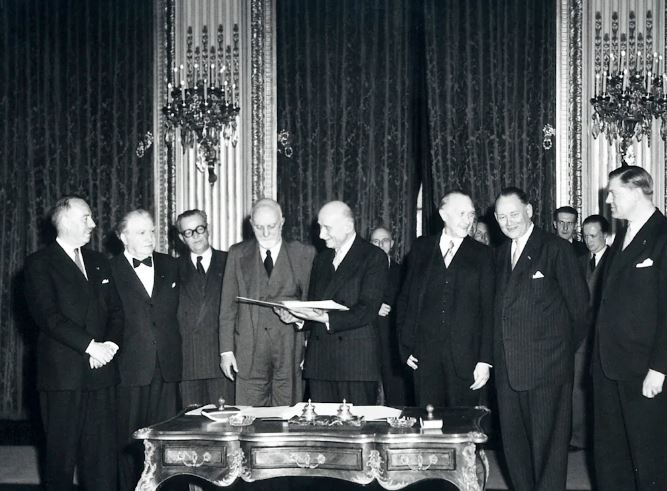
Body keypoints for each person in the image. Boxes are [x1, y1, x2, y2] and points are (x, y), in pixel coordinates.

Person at [24, 196, 122, 491]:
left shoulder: (99, 261)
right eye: (86, 218)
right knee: (61, 461)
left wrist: (109, 347)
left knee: (102, 460)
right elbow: (49, 317)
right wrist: (91, 346)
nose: (93, 223)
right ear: (65, 221)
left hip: (102, 373)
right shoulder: (39, 263)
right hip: (62, 378)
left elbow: (117, 312)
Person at [494, 187, 589, 491]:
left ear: (530, 211)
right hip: (509, 371)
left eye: (514, 214)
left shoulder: (555, 249)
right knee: (515, 450)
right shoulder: (500, 254)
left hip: (547, 370)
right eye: (502, 217)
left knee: (548, 455)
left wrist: (557, 353)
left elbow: (580, 311)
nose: (509, 222)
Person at [593, 166, 667, 490]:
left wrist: (659, 369)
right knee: (612, 459)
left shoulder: (663, 235)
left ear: (637, 192)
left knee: (651, 460)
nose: (608, 200)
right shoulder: (622, 235)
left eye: (614, 193)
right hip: (609, 368)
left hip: (645, 371)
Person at [279, 201, 387, 405]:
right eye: (320, 227)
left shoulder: (373, 256)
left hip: (355, 364)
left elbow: (367, 310)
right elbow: (316, 306)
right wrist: (298, 318)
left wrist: (325, 317)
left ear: (348, 226)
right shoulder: (322, 259)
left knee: (356, 423)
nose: (321, 235)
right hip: (320, 363)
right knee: (321, 424)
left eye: (327, 228)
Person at [397, 191, 494, 407]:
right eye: (461, 214)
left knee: (463, 423)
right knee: (428, 422)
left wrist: (485, 360)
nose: (468, 220)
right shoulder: (421, 248)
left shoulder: (484, 255)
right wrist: (405, 347)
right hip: (424, 357)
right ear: (443, 214)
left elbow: (489, 311)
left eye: (471, 214)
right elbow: (405, 300)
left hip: (466, 359)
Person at [110, 209, 182, 491]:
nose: (150, 237)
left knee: (167, 443)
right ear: (123, 237)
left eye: (152, 231)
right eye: (141, 232)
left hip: (167, 367)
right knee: (129, 443)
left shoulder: (171, 265)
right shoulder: (110, 270)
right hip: (129, 369)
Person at [219, 198, 315, 406]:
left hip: (290, 348)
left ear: (282, 222)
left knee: (287, 414)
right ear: (251, 225)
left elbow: (311, 303)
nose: (265, 233)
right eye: (259, 227)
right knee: (249, 416)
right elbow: (227, 307)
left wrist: (308, 346)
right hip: (249, 350)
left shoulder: (304, 254)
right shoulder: (236, 253)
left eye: (271, 226)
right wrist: (226, 351)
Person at [176, 209, 234, 407]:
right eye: (188, 232)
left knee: (224, 419)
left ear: (208, 229)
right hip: (187, 362)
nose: (196, 236)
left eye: (199, 229)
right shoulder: (172, 267)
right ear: (181, 238)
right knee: (190, 421)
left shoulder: (230, 261)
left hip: (223, 360)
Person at [570, 214, 610, 450]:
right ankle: (578, 438)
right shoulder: (579, 261)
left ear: (605, 235)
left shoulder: (616, 260)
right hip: (582, 338)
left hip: (607, 337)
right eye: (585, 236)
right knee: (578, 388)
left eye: (593, 236)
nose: (588, 241)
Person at [370, 226, 412, 405]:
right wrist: (373, 308)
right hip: (366, 341)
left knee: (396, 396)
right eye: (375, 241)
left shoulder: (404, 271)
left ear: (392, 243)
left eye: (385, 240)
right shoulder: (360, 271)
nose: (380, 245)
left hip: (392, 342)